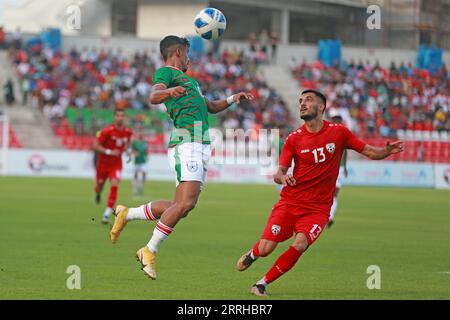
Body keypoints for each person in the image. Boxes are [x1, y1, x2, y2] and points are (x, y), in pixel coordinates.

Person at [110, 35, 254, 280]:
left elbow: (209, 106)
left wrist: (232, 99)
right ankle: (149, 250)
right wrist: (168, 91)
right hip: (187, 142)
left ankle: (128, 213)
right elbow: (153, 97)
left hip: (197, 142)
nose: (190, 57)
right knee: (186, 204)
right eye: (187, 52)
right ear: (177, 51)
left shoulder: (191, 82)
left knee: (181, 207)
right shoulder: (166, 73)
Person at [236, 89, 403, 296]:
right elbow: (278, 173)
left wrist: (385, 151)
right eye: (300, 101)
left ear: (321, 107)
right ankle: (254, 253)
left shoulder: (339, 132)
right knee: (266, 249)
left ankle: (261, 284)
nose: (302, 104)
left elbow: (369, 151)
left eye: (308, 100)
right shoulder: (294, 139)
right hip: (290, 202)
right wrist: (283, 177)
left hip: (318, 209)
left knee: (300, 244)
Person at [92, 108, 132, 224]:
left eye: (122, 115)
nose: (120, 117)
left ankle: (107, 213)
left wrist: (129, 151)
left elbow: (128, 143)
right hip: (103, 164)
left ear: (124, 118)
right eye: (118, 115)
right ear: (115, 117)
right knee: (99, 185)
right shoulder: (107, 131)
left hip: (116, 164)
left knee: (115, 184)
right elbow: (95, 145)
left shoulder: (128, 132)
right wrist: (109, 152)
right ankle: (98, 192)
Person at [327, 109, 348, 228]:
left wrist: (345, 166)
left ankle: (330, 216)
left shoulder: (344, 134)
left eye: (338, 120)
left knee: (335, 194)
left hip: (338, 169)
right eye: (335, 119)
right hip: (328, 169)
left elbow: (346, 150)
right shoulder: (327, 133)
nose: (337, 122)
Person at [131, 124, 149, 197]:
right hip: (137, 161)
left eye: (141, 132)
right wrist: (134, 153)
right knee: (135, 174)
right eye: (139, 132)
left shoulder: (145, 142)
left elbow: (146, 150)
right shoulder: (134, 142)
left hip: (143, 161)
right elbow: (131, 150)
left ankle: (140, 185)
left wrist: (147, 155)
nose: (140, 134)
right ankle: (135, 188)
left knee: (144, 173)